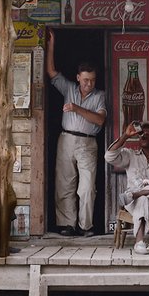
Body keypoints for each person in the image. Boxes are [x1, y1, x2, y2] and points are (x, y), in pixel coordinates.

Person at [46, 31, 107, 236]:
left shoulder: (100, 96)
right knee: (64, 184)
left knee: (87, 186)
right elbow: (51, 71)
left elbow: (100, 119)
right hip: (66, 139)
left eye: (93, 80)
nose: (89, 84)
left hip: (88, 142)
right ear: (78, 77)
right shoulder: (70, 88)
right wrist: (52, 44)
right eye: (86, 80)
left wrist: (76, 108)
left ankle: (85, 226)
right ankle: (67, 224)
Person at [104, 121, 149, 254]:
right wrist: (125, 136)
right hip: (134, 202)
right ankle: (139, 242)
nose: (144, 135)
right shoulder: (130, 155)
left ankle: (137, 194)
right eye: (142, 133)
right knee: (142, 199)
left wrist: (142, 192)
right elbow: (109, 157)